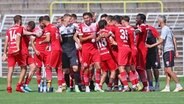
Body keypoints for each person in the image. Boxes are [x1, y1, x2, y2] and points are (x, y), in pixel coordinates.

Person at [146, 15, 183, 92]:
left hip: (168, 50)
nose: (157, 23)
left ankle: (178, 85)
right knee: (167, 70)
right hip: (168, 50)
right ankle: (167, 87)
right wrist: (176, 50)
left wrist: (151, 46)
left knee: (168, 70)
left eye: (158, 21)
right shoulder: (167, 28)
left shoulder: (165, 29)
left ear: (161, 21)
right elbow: (174, 38)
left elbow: (161, 40)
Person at [39, 15, 65, 93]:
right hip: (59, 49)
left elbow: (47, 39)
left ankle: (48, 87)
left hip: (53, 49)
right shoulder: (55, 27)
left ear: (44, 21)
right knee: (59, 68)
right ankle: (61, 86)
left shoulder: (48, 28)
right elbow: (60, 39)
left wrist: (42, 42)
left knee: (48, 67)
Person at [78, 12, 101, 92]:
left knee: (98, 66)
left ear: (91, 18)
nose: (86, 19)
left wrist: (97, 38)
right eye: (85, 18)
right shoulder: (81, 26)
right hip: (85, 49)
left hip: (94, 49)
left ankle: (97, 85)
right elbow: (81, 39)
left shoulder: (96, 25)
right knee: (86, 68)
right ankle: (87, 86)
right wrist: (90, 37)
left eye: (87, 18)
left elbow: (98, 36)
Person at [59, 14, 81, 92]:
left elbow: (79, 32)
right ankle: (68, 86)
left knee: (75, 68)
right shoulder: (60, 29)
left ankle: (77, 86)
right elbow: (59, 40)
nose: (70, 21)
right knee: (66, 71)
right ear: (64, 20)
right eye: (69, 20)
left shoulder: (74, 26)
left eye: (71, 20)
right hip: (64, 52)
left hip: (72, 51)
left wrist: (78, 43)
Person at [96, 20, 117, 92]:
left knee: (104, 72)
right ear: (105, 25)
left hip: (100, 54)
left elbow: (95, 40)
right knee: (113, 70)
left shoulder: (97, 33)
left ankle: (100, 85)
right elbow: (112, 40)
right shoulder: (107, 32)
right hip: (107, 53)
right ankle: (109, 86)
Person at [121, 16, 141, 91]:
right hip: (134, 48)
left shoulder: (127, 30)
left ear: (123, 22)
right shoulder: (132, 29)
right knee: (131, 68)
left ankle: (136, 84)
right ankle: (135, 84)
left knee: (130, 68)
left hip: (131, 49)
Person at [134, 13, 149, 92]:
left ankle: (138, 85)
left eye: (137, 18)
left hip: (141, 50)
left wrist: (131, 30)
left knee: (139, 68)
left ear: (142, 20)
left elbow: (137, 31)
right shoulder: (140, 26)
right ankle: (145, 86)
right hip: (139, 49)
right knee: (139, 69)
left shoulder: (143, 26)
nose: (136, 20)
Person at [145, 25, 161, 91]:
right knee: (148, 68)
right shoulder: (138, 29)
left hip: (154, 51)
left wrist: (159, 48)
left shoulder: (151, 28)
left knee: (155, 68)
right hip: (146, 52)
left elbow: (159, 38)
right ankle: (150, 85)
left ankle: (157, 82)